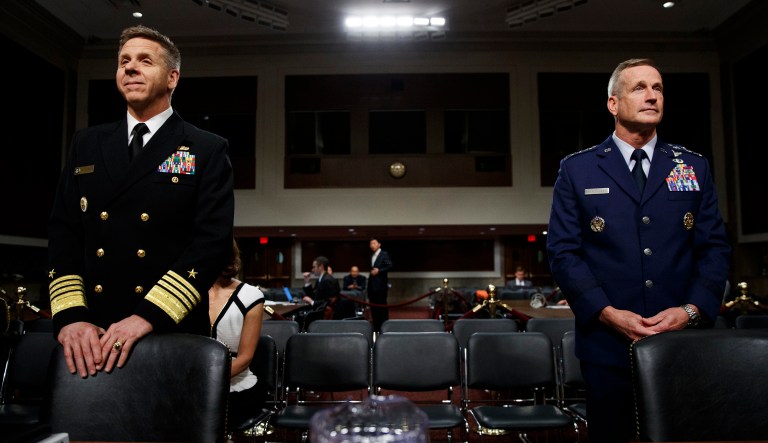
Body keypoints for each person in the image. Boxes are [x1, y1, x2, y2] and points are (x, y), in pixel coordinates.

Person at [546, 58, 730, 442]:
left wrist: (690, 310)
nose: (652, 96)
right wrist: (608, 314)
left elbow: (713, 248)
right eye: (640, 88)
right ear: (613, 103)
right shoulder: (578, 170)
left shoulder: (692, 167)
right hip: (608, 344)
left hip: (682, 341)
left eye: (658, 88)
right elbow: (563, 252)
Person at [47, 25, 234, 378]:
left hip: (168, 330)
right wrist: (71, 317)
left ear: (172, 77)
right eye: (123, 61)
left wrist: (146, 317)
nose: (130, 68)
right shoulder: (86, 144)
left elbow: (211, 244)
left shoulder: (205, 148)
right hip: (92, 337)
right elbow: (63, 234)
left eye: (145, 61)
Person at [209, 239, 265, 431]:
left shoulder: (250, 295)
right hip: (190, 383)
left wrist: (208, 380)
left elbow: (245, 358)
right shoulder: (187, 292)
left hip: (234, 385)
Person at [367, 238, 393, 332]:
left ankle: (384, 326)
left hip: (381, 285)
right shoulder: (371, 256)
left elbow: (389, 265)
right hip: (372, 286)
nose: (372, 245)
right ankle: (376, 326)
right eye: (370, 244)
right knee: (373, 308)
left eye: (374, 243)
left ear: (379, 244)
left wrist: (379, 270)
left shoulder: (384, 254)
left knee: (382, 307)